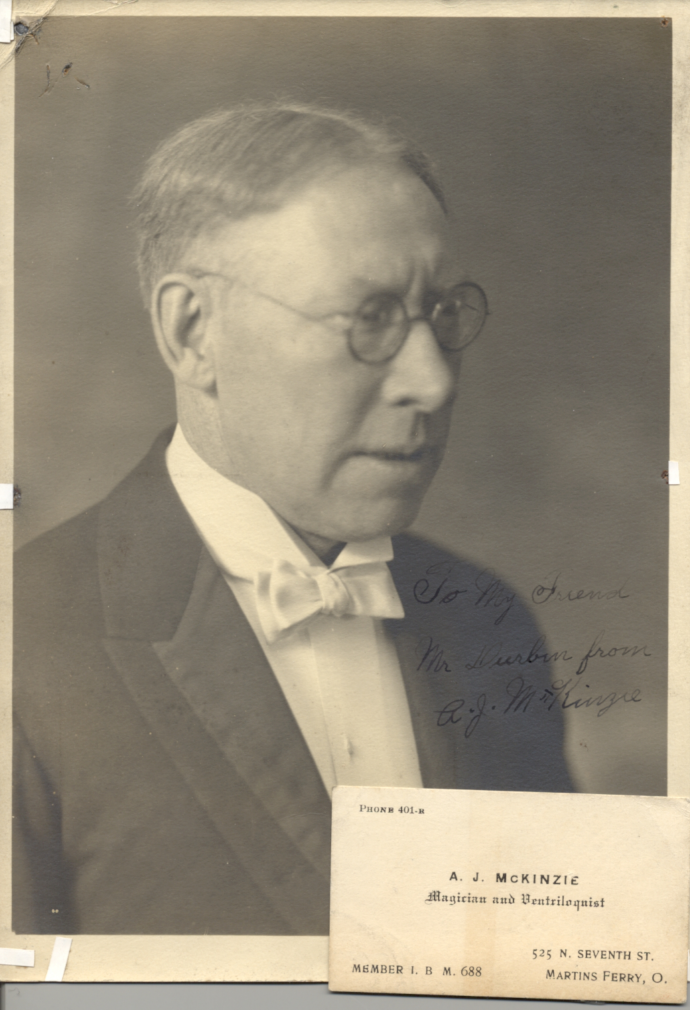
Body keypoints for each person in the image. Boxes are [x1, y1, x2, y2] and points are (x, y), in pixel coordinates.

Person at [13, 102, 572, 936]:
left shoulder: (487, 620)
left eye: (441, 314)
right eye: (370, 318)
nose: (433, 381)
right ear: (193, 333)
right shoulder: (22, 641)